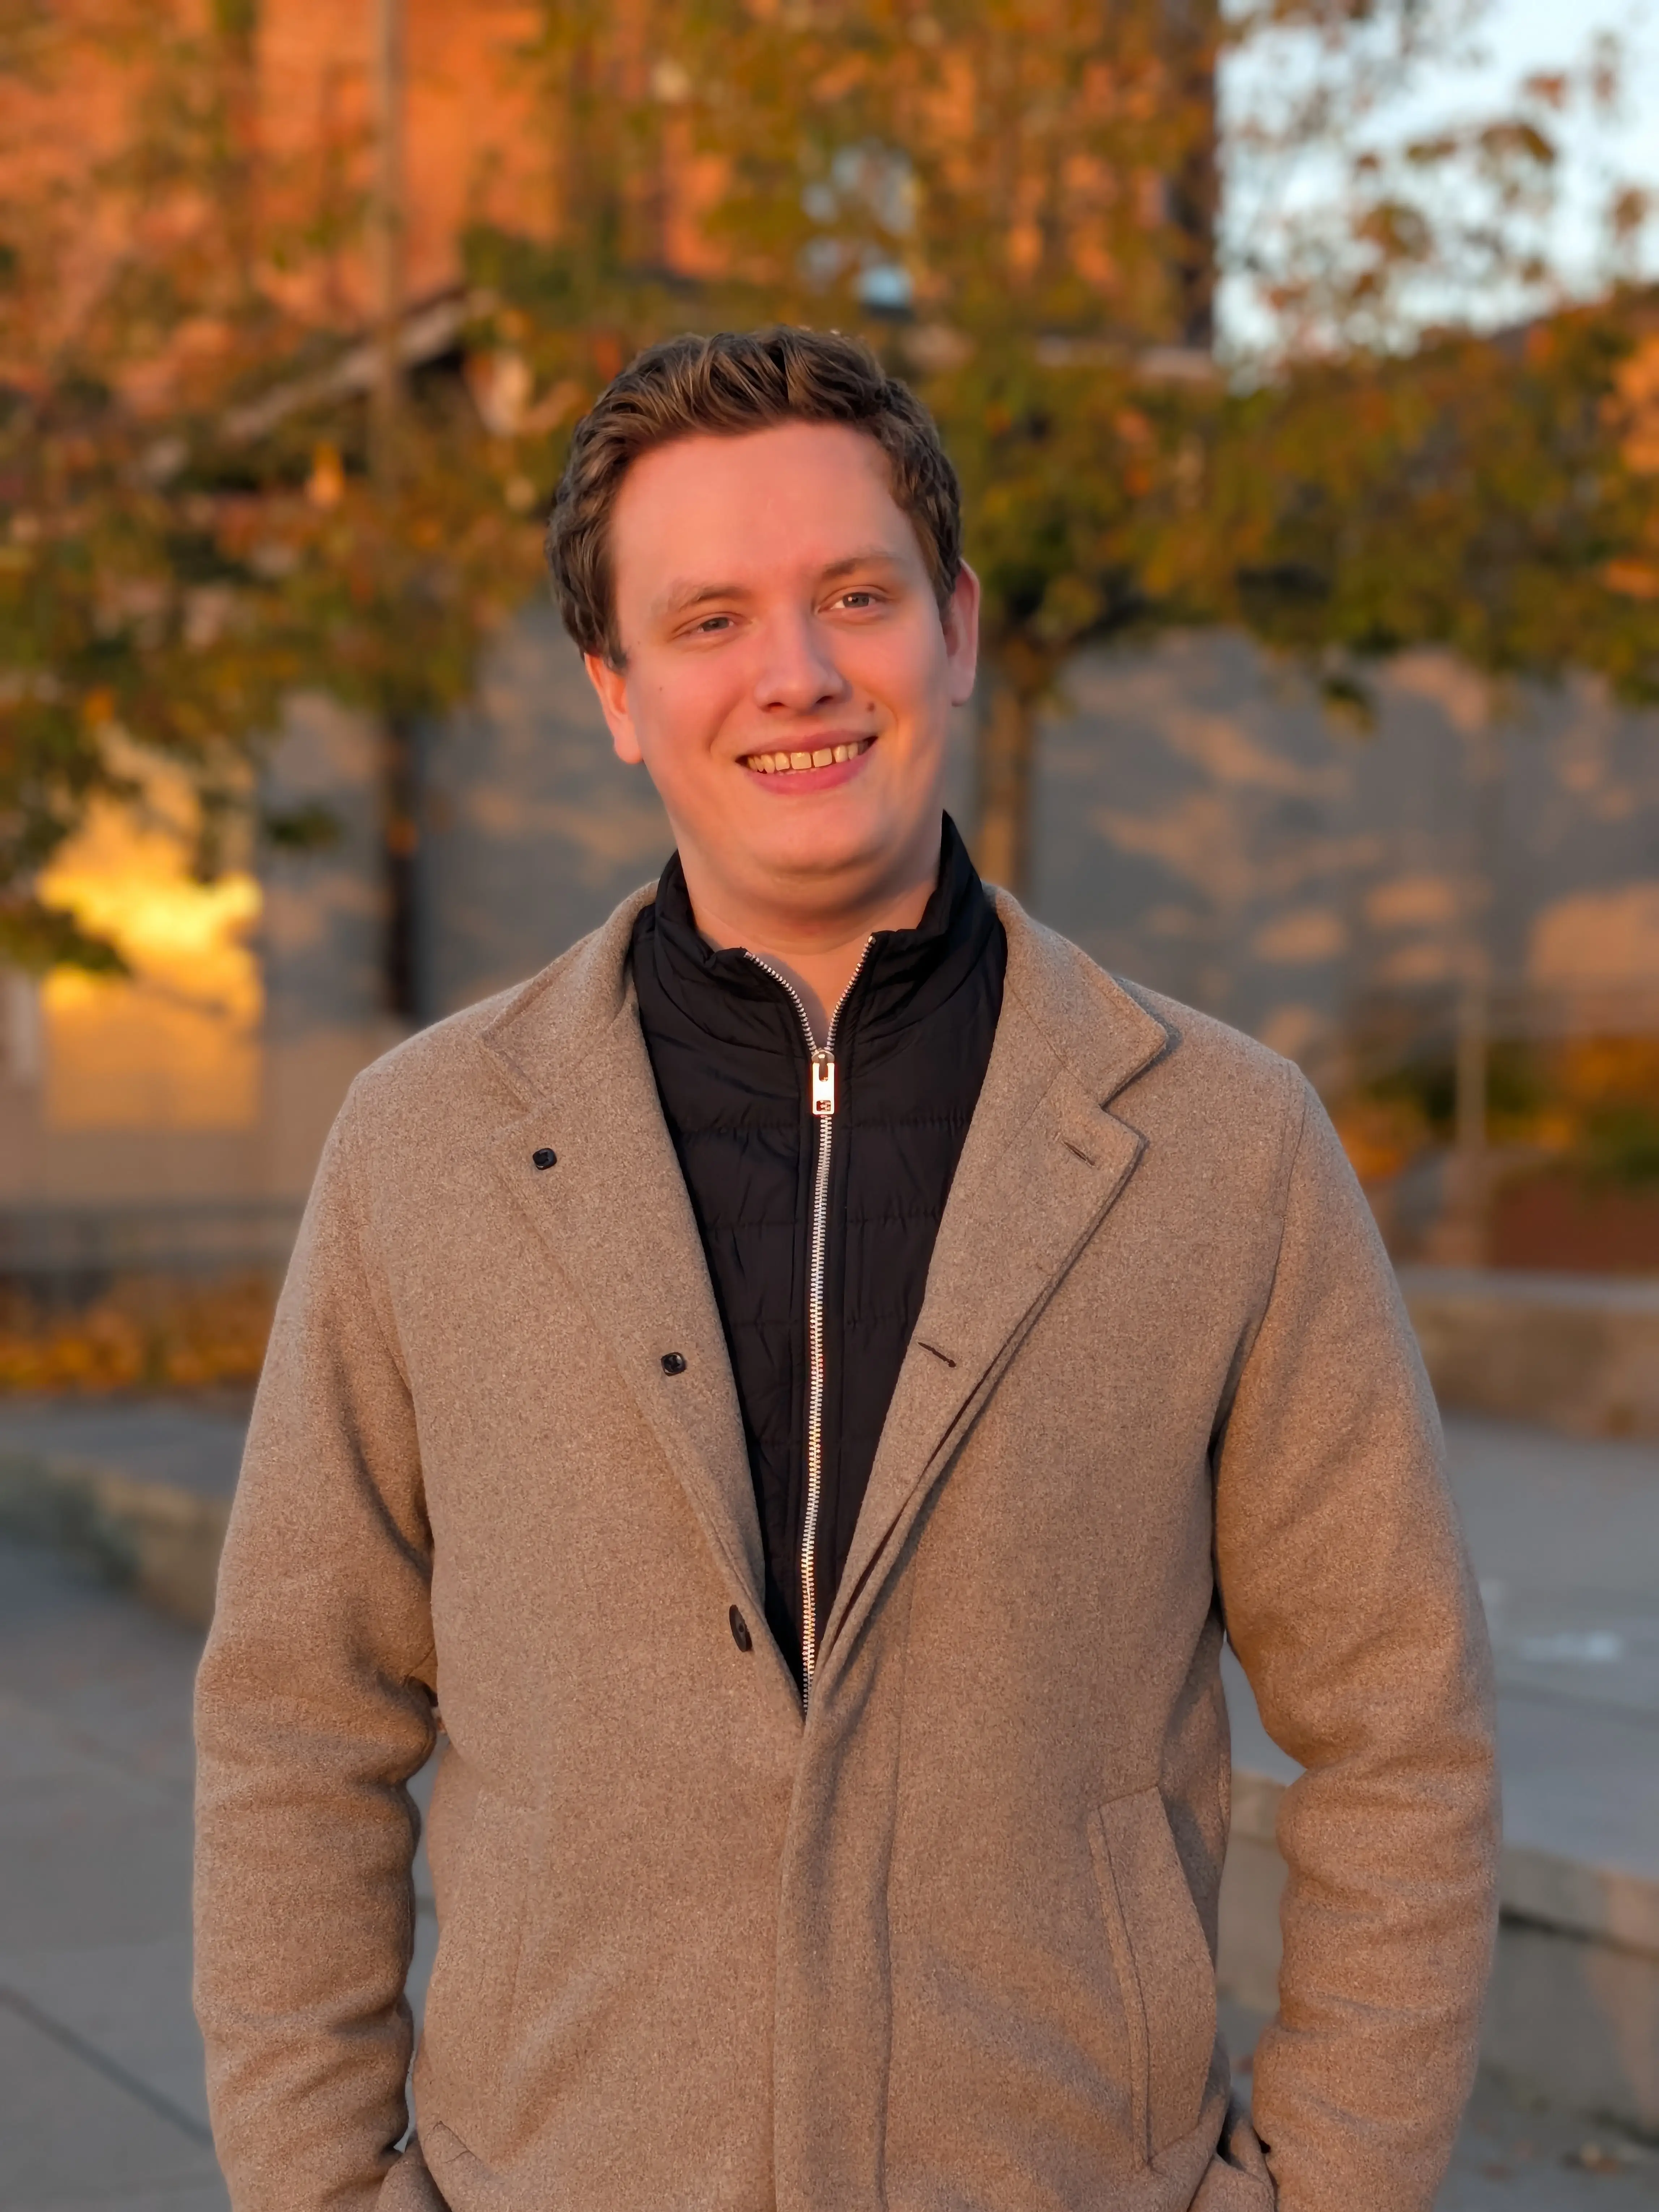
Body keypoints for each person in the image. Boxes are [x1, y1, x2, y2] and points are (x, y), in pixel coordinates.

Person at [194, 327, 1499, 2212]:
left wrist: (1327, 2184)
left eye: (854, 596)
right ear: (615, 689)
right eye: (707, 617)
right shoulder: (427, 1147)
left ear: (955, 627)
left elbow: (1403, 1719)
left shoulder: (1228, 1145)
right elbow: (294, 1721)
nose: (794, 673)